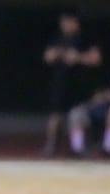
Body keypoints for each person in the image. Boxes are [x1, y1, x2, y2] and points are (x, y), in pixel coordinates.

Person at [41, 10, 102, 156]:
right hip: (61, 84)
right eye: (63, 22)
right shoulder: (57, 38)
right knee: (55, 116)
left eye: (68, 22)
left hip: (80, 86)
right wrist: (57, 54)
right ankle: (51, 147)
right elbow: (47, 57)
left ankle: (79, 148)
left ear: (76, 23)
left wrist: (78, 58)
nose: (65, 25)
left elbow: (96, 58)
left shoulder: (85, 38)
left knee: (78, 116)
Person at [67, 70, 110, 157]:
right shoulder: (105, 92)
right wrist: (100, 99)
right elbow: (89, 106)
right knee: (76, 113)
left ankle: (108, 151)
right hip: (98, 122)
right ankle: (77, 150)